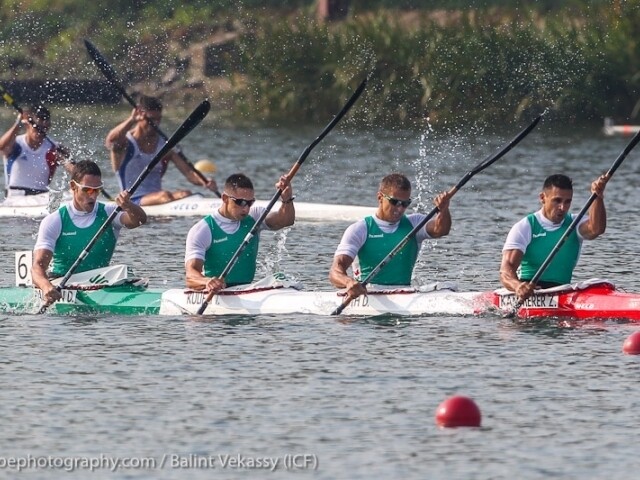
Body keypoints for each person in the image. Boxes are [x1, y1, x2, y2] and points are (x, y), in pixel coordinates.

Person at [32, 160, 147, 304]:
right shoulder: (55, 221)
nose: (93, 196)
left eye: (97, 190)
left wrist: (128, 206)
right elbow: (37, 266)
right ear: (73, 186)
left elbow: (140, 220)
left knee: (123, 271)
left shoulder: (109, 213)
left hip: (99, 280)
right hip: (62, 282)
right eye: (87, 190)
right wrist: (45, 286)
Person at [329, 173, 454, 300]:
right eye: (395, 202)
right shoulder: (360, 229)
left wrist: (443, 210)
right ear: (380, 197)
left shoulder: (415, 223)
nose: (400, 209)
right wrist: (349, 283)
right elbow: (335, 271)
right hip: (369, 294)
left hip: (404, 293)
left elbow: (441, 230)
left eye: (405, 203)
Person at [499, 173, 609, 302]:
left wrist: (598, 196)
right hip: (529, 293)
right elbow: (506, 270)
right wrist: (518, 287)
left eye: (567, 202)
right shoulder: (525, 226)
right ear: (542, 198)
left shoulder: (574, 223)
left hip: (562, 292)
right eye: (557, 200)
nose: (562, 207)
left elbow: (596, 229)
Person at [185, 172, 295, 292]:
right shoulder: (203, 229)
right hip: (218, 292)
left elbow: (285, 221)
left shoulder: (255, 216)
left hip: (246, 289)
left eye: (250, 202)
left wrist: (287, 199)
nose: (246, 208)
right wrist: (207, 282)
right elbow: (191, 276)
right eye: (240, 202)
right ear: (225, 198)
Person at [105, 95, 218, 206]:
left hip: (158, 198)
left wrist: (205, 181)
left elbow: (189, 173)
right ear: (139, 117)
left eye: (158, 119)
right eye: (151, 119)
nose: (156, 123)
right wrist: (131, 120)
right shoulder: (125, 143)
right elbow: (111, 140)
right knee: (165, 196)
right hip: (131, 201)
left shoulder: (165, 145)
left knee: (185, 193)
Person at [0, 105, 73, 197]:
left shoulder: (54, 148)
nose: (40, 132)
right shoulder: (15, 144)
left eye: (44, 128)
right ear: (27, 124)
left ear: (48, 126)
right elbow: (1, 148)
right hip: (14, 197)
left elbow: (75, 171)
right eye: (37, 127)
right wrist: (18, 123)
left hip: (41, 198)